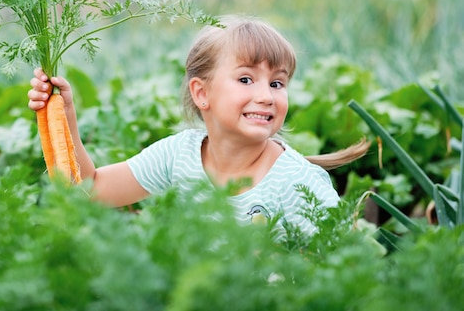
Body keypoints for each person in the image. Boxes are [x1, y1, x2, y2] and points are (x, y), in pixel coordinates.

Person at [27, 15, 370, 233]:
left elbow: (341, 267)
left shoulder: (298, 183)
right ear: (201, 93)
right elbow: (92, 189)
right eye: (247, 80)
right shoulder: (179, 156)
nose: (266, 95)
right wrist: (65, 115)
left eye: (277, 83)